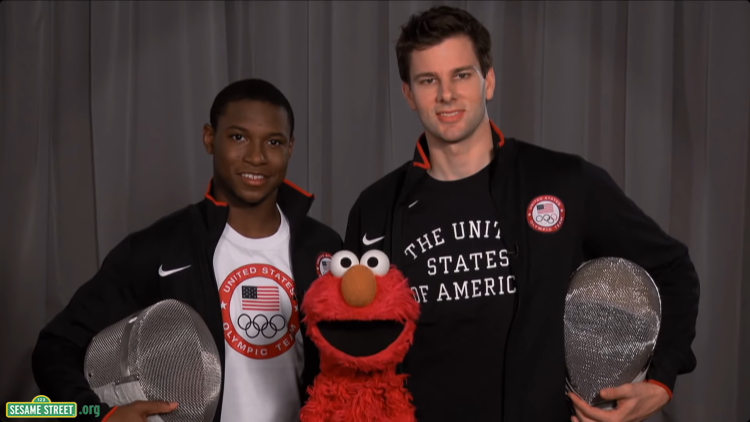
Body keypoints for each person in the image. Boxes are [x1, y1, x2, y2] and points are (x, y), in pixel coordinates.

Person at [343, 6, 699, 422]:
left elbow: (672, 269)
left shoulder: (563, 181)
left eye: (461, 75)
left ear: (488, 80)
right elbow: (353, 344)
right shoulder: (377, 206)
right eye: (428, 80)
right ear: (408, 94)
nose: (446, 94)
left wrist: (660, 380)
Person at [32, 78, 342, 422]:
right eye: (238, 137)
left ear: (290, 147)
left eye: (273, 141)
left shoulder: (323, 248)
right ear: (209, 138)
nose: (256, 156)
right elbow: (56, 346)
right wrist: (97, 416)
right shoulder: (161, 247)